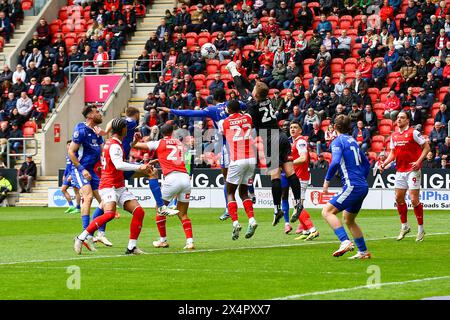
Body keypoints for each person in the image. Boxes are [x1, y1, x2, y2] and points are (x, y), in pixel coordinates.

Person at [158, 88, 256, 221]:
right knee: (245, 172)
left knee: (228, 179)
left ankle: (229, 209)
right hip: (245, 144)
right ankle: (250, 191)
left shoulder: (213, 110)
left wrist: (171, 111)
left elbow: (191, 113)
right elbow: (250, 104)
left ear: (214, 99)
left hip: (228, 145)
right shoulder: (236, 105)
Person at [227, 61, 304, 226]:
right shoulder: (267, 98)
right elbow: (249, 85)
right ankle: (298, 202)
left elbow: (241, 87)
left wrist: (233, 70)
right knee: (290, 172)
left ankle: (277, 210)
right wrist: (240, 73)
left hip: (269, 139)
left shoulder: (252, 104)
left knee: (275, 175)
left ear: (255, 93)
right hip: (281, 135)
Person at [74, 118, 151, 255]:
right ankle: (81, 237)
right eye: (126, 128)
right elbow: (119, 165)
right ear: (122, 130)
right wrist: (140, 166)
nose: (128, 130)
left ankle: (131, 247)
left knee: (139, 212)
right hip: (109, 185)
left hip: (118, 185)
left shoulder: (112, 143)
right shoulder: (114, 145)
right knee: (109, 213)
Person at [131, 124, 195, 250]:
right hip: (185, 178)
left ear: (161, 132)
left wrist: (135, 140)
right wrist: (159, 159)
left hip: (172, 178)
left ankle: (163, 240)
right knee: (183, 213)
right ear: (172, 132)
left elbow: (135, 146)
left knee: (159, 208)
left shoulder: (158, 143)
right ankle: (190, 241)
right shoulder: (180, 144)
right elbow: (173, 157)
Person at [321, 115, 371, 259]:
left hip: (353, 185)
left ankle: (344, 241)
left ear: (334, 127)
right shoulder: (353, 141)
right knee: (348, 219)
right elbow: (366, 163)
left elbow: (335, 162)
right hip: (361, 185)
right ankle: (363, 252)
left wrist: (327, 180)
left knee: (327, 212)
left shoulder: (337, 142)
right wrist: (361, 178)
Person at [381, 111, 430, 242]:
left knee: (414, 199)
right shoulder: (394, 135)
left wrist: (419, 161)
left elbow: (426, 147)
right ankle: (405, 226)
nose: (399, 120)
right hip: (400, 170)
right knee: (398, 198)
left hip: (413, 170)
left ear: (408, 120)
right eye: (398, 118)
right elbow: (393, 153)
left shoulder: (413, 132)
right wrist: (384, 163)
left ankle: (421, 229)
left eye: (402, 118)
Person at [218, 100, 258, 240]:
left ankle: (235, 222)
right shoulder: (248, 117)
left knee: (230, 192)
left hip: (237, 160)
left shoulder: (224, 122)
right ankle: (252, 220)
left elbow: (222, 134)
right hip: (251, 159)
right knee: (244, 192)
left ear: (228, 109)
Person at [68, 105, 105, 250]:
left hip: (92, 170)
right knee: (88, 197)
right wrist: (81, 169)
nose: (100, 114)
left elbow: (103, 151)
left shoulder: (96, 132)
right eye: (97, 112)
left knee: (105, 201)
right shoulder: (81, 130)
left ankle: (98, 233)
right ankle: (86, 235)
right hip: (80, 168)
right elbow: (71, 152)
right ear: (89, 115)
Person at [288, 121, 319, 240]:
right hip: (297, 176)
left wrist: (288, 164)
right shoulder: (296, 142)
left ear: (300, 130)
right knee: (298, 205)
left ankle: (313, 230)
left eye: (295, 127)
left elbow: (303, 158)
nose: (292, 129)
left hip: (300, 177)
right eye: (291, 127)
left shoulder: (300, 141)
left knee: (297, 205)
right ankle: (306, 230)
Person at [61, 140, 81, 214]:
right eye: (68, 144)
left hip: (73, 174)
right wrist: (64, 174)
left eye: (70, 144)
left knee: (76, 191)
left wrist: (71, 175)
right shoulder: (68, 155)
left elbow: (75, 165)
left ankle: (78, 208)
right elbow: (67, 167)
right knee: (63, 189)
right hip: (68, 175)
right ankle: (71, 206)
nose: (69, 146)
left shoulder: (75, 154)